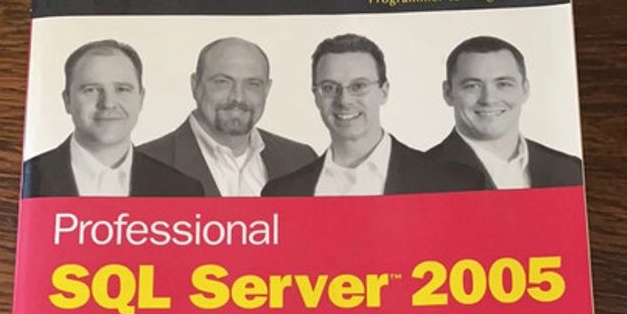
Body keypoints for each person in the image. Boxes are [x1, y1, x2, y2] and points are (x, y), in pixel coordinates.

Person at [262, 33, 482, 197]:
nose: (344, 100)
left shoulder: (454, 183)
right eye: (329, 87)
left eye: (358, 86)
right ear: (316, 96)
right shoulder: (281, 193)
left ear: (383, 92)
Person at [22, 40, 203, 197]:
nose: (108, 103)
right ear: (67, 101)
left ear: (140, 99)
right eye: (91, 90)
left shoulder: (182, 190)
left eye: (122, 89)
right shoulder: (27, 178)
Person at [140, 37, 315, 196]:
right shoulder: (142, 166)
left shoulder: (302, 161)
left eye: (253, 84)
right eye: (222, 82)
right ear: (195, 85)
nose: (238, 97)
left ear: (267, 90)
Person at [425, 35, 583, 189]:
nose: (488, 99)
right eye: (472, 86)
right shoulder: (420, 176)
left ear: (525, 89)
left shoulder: (570, 170)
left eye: (503, 84)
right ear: (448, 93)